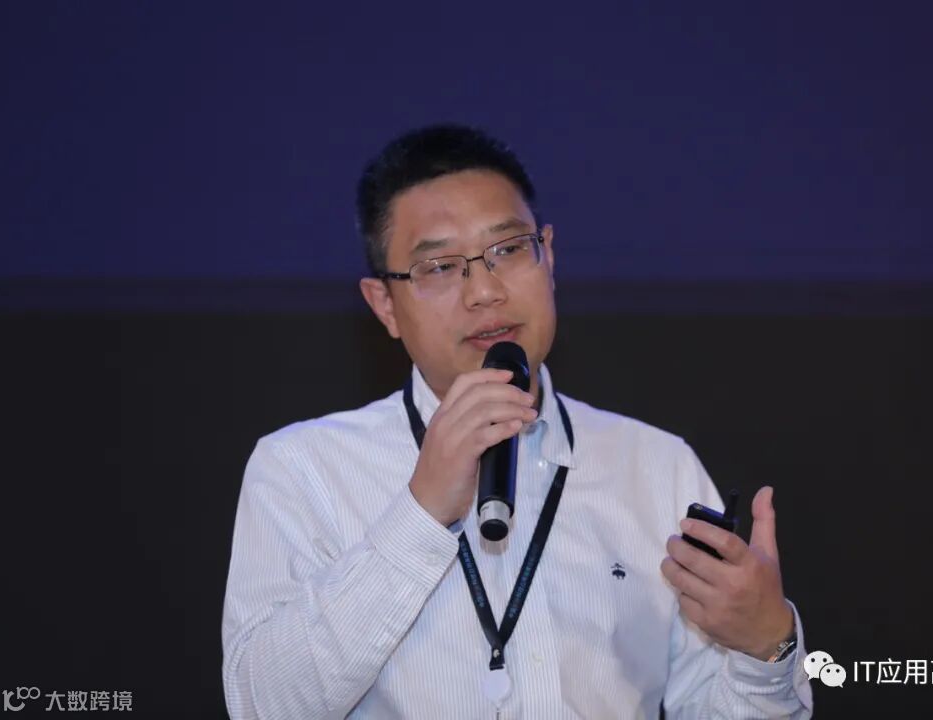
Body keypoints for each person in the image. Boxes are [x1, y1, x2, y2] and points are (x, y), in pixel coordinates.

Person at [221, 124, 814, 719]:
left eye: (507, 250)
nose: (484, 291)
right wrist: (421, 513)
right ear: (384, 305)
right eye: (440, 266)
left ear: (548, 256)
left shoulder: (655, 467)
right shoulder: (303, 469)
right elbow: (260, 706)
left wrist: (766, 647)